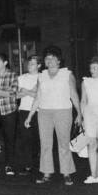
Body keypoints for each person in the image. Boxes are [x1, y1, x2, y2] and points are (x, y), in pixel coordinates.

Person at [24, 46, 81, 185]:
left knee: (63, 143)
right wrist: (30, 116)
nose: (49, 61)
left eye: (52, 58)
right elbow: (38, 97)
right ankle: (46, 172)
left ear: (59, 61)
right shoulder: (42, 75)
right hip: (44, 113)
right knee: (45, 144)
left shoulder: (67, 74)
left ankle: (66, 173)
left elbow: (73, 94)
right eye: (47, 58)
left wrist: (79, 113)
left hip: (63, 111)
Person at [79, 56, 98, 184]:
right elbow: (83, 100)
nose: (92, 70)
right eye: (91, 68)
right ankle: (93, 174)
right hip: (89, 114)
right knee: (91, 144)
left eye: (95, 68)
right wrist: (81, 116)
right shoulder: (85, 81)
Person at [16, 56, 40, 175]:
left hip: (40, 111)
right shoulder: (21, 78)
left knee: (37, 139)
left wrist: (25, 91)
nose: (30, 66)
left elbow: (40, 96)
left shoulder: (42, 77)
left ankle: (37, 163)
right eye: (29, 63)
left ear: (39, 65)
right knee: (26, 139)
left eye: (33, 64)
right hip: (24, 110)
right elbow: (16, 96)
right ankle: (28, 165)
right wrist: (32, 92)